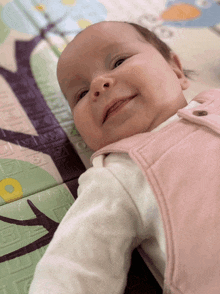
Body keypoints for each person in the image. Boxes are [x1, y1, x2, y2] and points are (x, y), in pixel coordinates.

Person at [29, 20, 220, 294]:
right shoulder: (119, 172)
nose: (98, 83)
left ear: (175, 69)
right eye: (81, 94)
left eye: (118, 61)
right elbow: (72, 268)